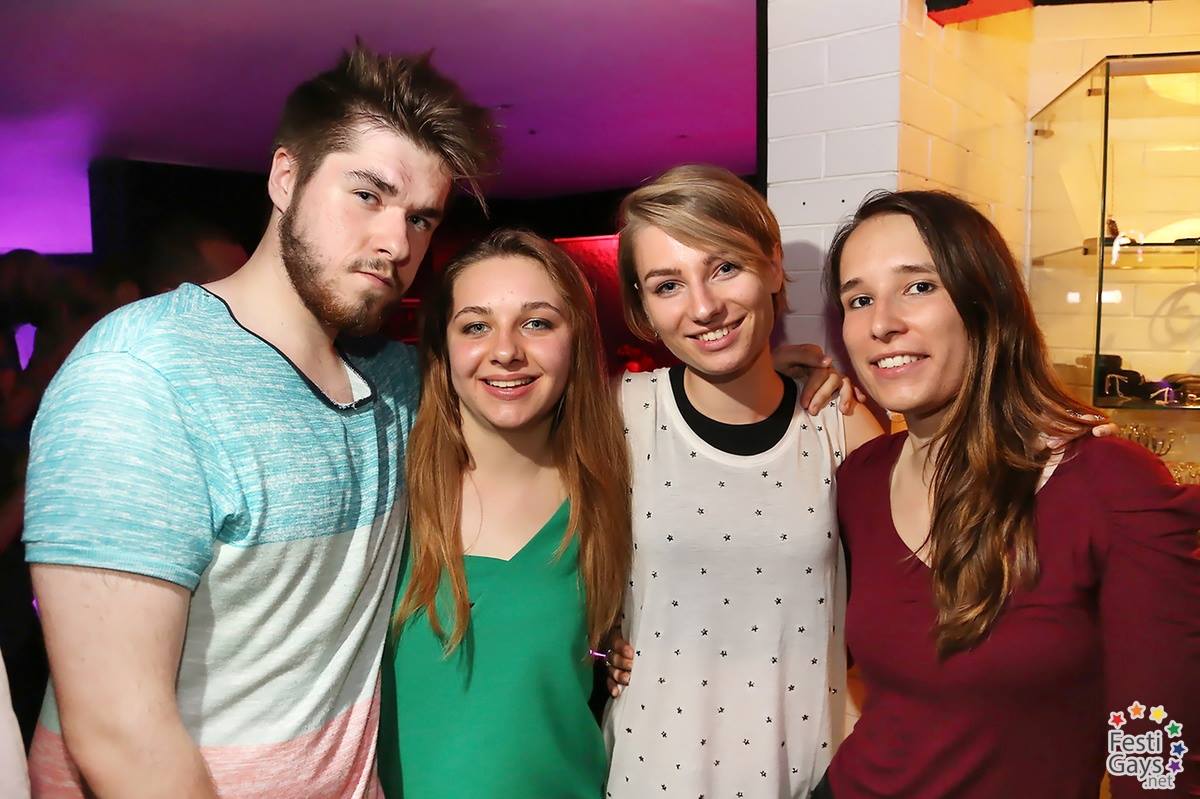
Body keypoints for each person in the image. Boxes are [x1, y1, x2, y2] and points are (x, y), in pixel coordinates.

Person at [23, 44, 496, 798]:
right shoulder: (141, 376)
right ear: (285, 178)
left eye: (420, 218)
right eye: (367, 195)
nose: (396, 243)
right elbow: (120, 734)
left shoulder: (397, 380)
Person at [821, 190, 1200, 798]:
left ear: (985, 302)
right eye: (858, 299)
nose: (881, 322)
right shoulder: (859, 481)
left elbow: (1153, 742)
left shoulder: (1106, 485)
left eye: (919, 286)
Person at [602, 165, 881, 798]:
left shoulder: (839, 423)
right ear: (642, 307)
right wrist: (599, 650)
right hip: (653, 776)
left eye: (725, 267)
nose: (703, 307)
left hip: (805, 775)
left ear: (774, 267)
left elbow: (911, 613)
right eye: (667, 285)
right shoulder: (619, 414)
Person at [377, 229, 631, 797]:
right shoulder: (389, 494)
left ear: (577, 339)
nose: (506, 350)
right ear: (441, 347)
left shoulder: (614, 491)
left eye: (537, 323)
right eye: (475, 326)